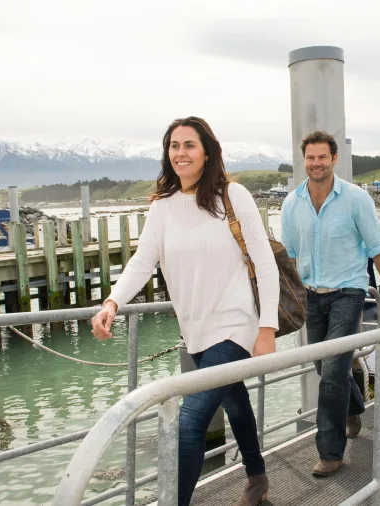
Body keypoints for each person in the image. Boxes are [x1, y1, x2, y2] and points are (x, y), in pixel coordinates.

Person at [91, 116, 279, 506]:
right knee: (236, 403)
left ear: (207, 152)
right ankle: (258, 478)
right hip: (195, 330)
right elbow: (143, 261)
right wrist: (112, 302)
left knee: (189, 424)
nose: (181, 153)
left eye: (189, 145)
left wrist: (267, 328)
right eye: (174, 146)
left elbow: (265, 263)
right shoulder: (162, 207)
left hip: (235, 326)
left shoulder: (233, 195)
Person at [281, 131, 380, 478]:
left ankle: (331, 452)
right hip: (310, 296)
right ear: (303, 161)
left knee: (332, 371)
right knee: (325, 366)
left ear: (334, 159)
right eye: (310, 158)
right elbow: (289, 257)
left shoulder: (356, 199)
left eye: (322, 157)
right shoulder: (292, 203)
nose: (316, 163)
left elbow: (378, 249)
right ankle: (353, 402)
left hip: (348, 292)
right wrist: (286, 300)